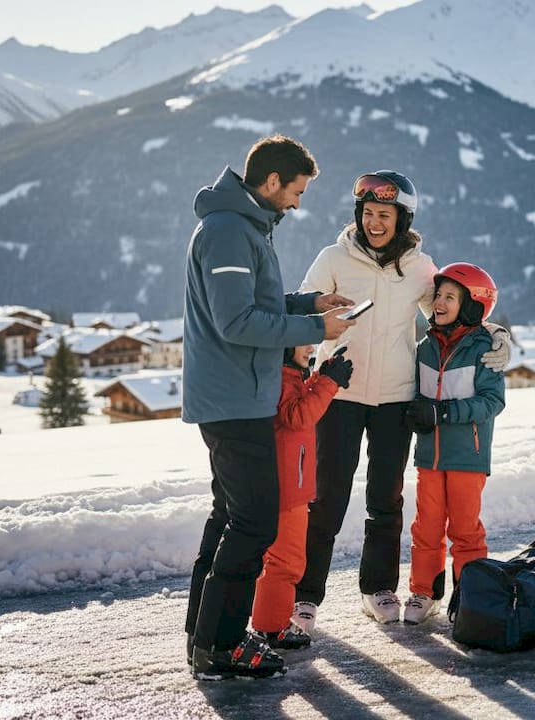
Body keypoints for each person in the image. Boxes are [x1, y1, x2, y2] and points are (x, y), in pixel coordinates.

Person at [294, 171, 512, 628]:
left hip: (396, 396)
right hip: (340, 393)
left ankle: (377, 588)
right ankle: (305, 595)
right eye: (369, 213)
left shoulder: (418, 267)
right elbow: (302, 306)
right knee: (326, 497)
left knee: (385, 498)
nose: (375, 223)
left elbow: (455, 309)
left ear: (402, 218)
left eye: (384, 215)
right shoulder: (334, 258)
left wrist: (495, 335)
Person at [181, 135, 356, 681]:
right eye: (296, 191)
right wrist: (314, 329)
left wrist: (309, 303)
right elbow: (236, 323)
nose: (298, 203)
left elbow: (252, 304)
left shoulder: (243, 226)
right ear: (272, 180)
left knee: (230, 516)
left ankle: (206, 635)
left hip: (238, 395)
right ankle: (223, 646)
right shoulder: (231, 231)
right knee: (254, 522)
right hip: (233, 400)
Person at [400, 262, 506, 624]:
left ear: (473, 306)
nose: (440, 303)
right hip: (430, 455)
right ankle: (423, 591)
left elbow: (493, 402)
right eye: (438, 296)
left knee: (465, 530)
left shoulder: (486, 350)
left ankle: (470, 595)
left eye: (450, 297)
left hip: (467, 456)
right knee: (425, 527)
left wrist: (444, 413)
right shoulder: (424, 347)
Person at [250, 344, 353, 650]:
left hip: (288, 485)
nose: (311, 347)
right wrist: (329, 383)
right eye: (303, 341)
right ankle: (272, 628)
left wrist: (321, 374)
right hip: (287, 489)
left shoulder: (285, 375)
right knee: (286, 562)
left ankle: (270, 622)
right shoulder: (282, 378)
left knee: (281, 560)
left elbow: (295, 401)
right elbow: (298, 414)